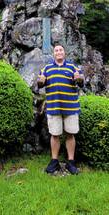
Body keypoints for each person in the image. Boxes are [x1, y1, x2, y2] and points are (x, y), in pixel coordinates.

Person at [37, 44, 84, 174]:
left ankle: (71, 162)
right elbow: (40, 83)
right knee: (55, 135)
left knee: (70, 134)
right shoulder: (46, 68)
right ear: (53, 54)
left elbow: (81, 82)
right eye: (56, 50)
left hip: (71, 107)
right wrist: (40, 81)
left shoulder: (73, 68)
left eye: (61, 50)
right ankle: (54, 161)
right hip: (53, 107)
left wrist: (79, 79)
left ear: (64, 53)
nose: (58, 52)